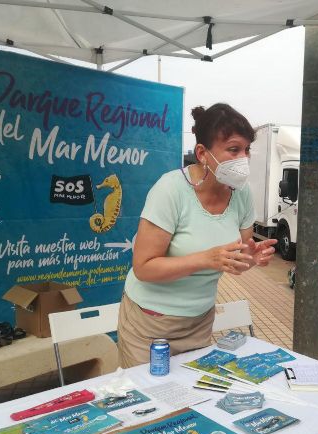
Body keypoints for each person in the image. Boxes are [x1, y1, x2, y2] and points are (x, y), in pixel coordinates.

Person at [118, 103, 277, 368]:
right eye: (233, 149)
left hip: (200, 321)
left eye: (247, 150)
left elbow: (234, 258)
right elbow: (143, 267)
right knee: (153, 404)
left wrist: (250, 258)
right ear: (202, 153)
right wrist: (206, 259)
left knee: (191, 401)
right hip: (149, 324)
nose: (244, 159)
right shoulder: (171, 190)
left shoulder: (242, 194)